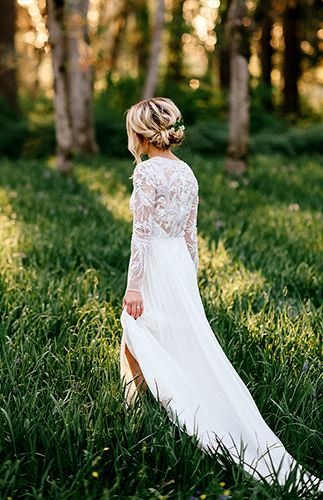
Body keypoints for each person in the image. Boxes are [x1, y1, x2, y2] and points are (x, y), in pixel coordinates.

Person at [120, 97, 322, 490]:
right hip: (178, 263)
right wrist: (189, 279)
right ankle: (148, 408)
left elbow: (141, 234)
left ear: (142, 134)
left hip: (159, 264)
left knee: (134, 330)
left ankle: (141, 413)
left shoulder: (146, 174)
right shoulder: (187, 172)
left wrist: (134, 286)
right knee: (163, 335)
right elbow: (191, 236)